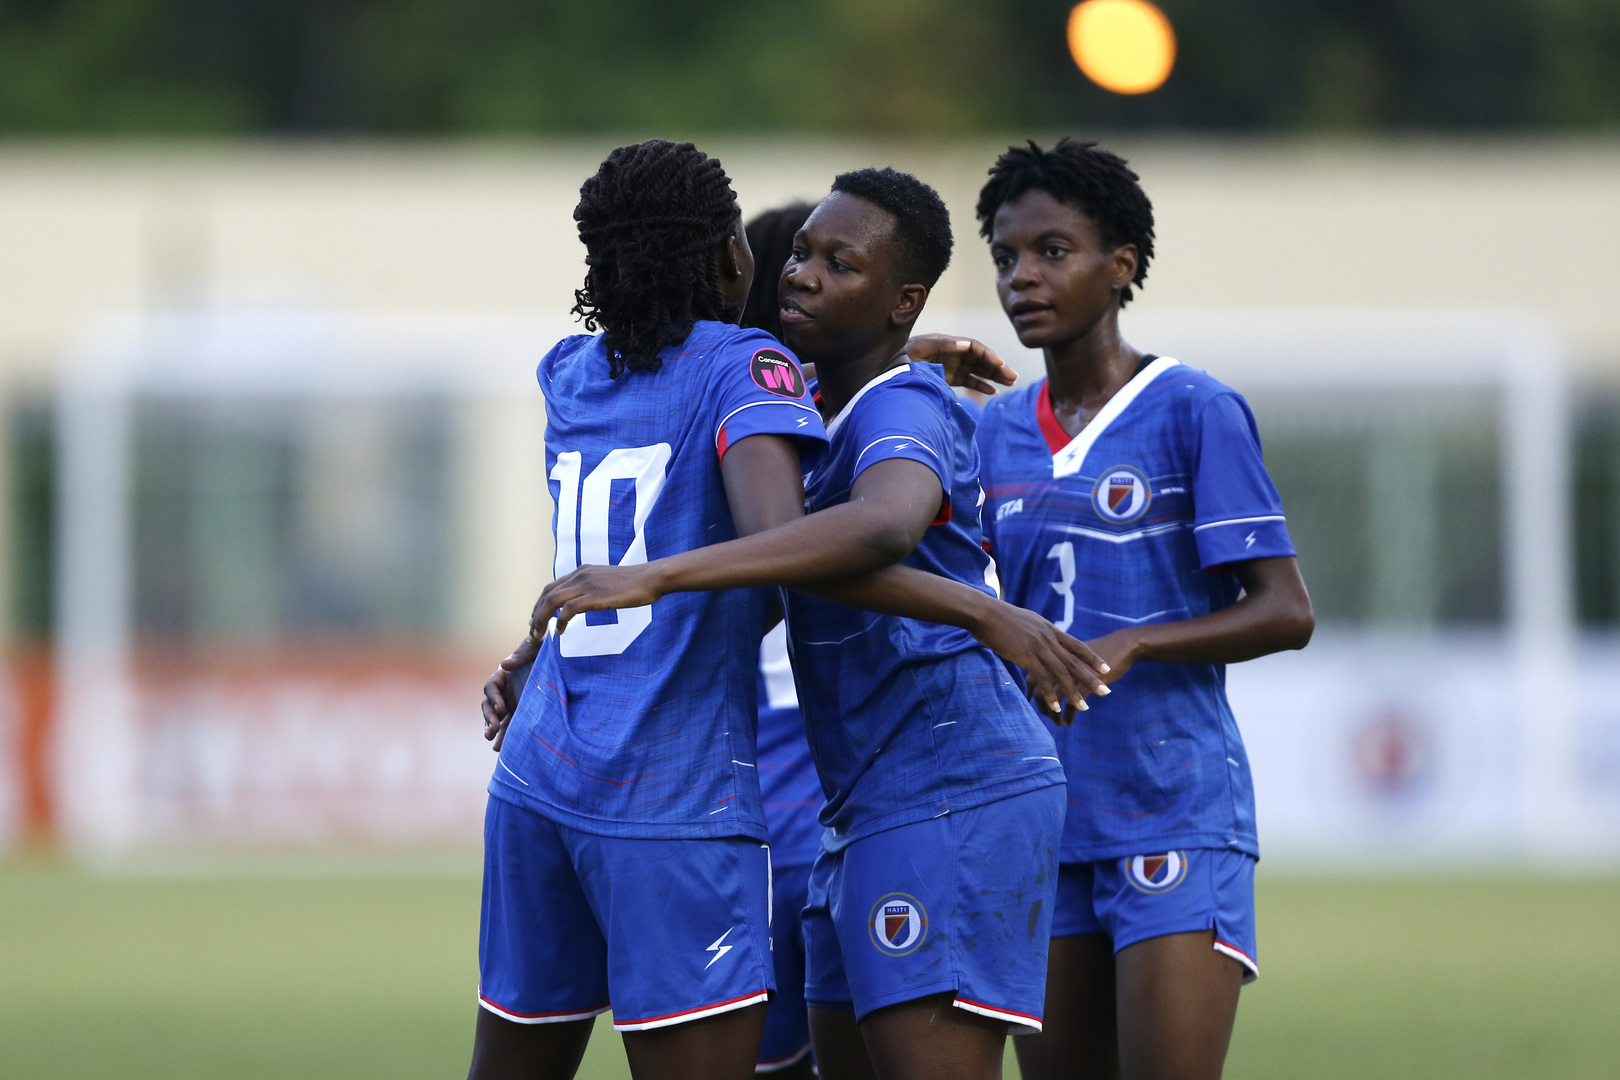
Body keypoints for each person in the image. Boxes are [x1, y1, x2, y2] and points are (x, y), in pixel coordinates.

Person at [474, 143, 1106, 1080]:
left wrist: (598, 611)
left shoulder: (572, 371)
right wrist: (984, 611)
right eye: (794, 252)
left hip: (931, 781)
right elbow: (779, 543)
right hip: (773, 796)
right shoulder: (757, 375)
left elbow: (858, 531)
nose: (797, 273)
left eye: (834, 263)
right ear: (733, 258)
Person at [971, 138, 1316, 1080]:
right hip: (1041, 814)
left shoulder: (1194, 409)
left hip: (1174, 807)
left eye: (1052, 250)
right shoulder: (992, 429)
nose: (1022, 277)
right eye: (1005, 257)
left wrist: (1137, 641)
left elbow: (1285, 609)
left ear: (1120, 266)